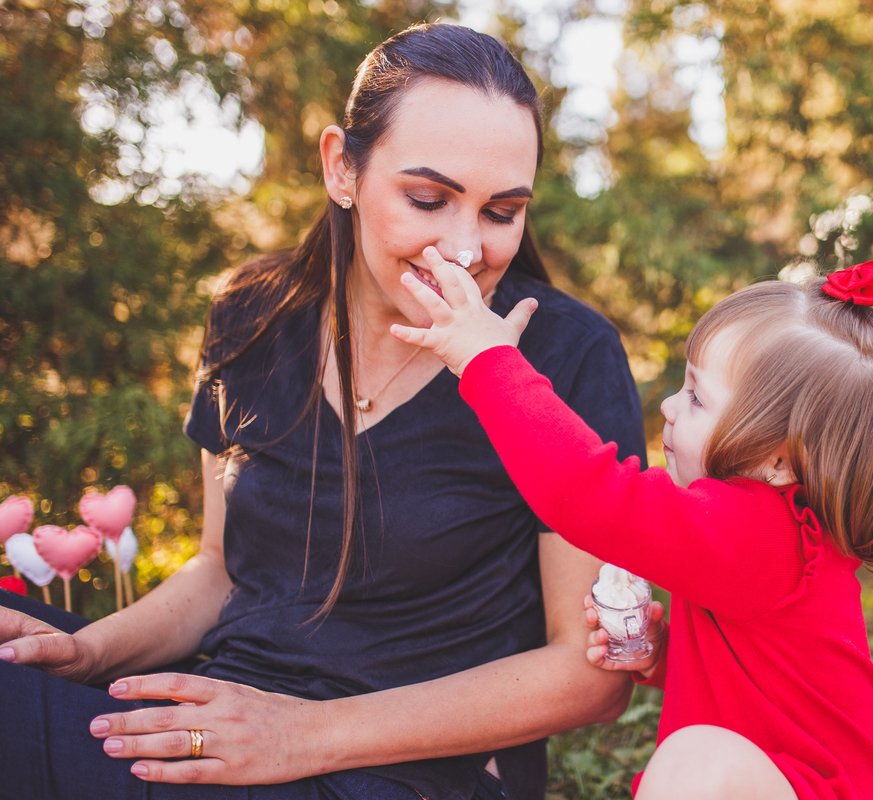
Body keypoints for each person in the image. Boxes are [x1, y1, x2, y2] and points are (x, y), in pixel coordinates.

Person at [0, 23, 647, 800]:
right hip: (228, 703)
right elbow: (221, 570)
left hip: (401, 769)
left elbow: (592, 669)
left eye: (502, 210)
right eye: (428, 199)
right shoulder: (252, 313)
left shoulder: (568, 354)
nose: (467, 247)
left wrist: (302, 734)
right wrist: (92, 653)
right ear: (342, 167)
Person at [388, 254, 873, 800]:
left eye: (698, 397)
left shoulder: (754, 529)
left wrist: (488, 362)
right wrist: (662, 654)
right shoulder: (775, 530)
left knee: (692, 765)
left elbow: (588, 494)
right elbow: (764, 684)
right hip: (790, 782)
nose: (669, 406)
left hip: (811, 786)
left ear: (780, 460)